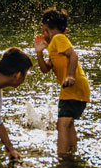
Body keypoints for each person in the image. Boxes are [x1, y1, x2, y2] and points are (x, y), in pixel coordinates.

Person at [34, 8, 90, 157]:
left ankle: (63, 157)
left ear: (45, 28)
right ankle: (71, 152)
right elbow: (45, 69)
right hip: (75, 89)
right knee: (68, 124)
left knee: (62, 125)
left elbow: (73, 55)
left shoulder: (58, 39)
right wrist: (39, 52)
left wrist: (70, 76)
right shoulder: (54, 45)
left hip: (72, 87)